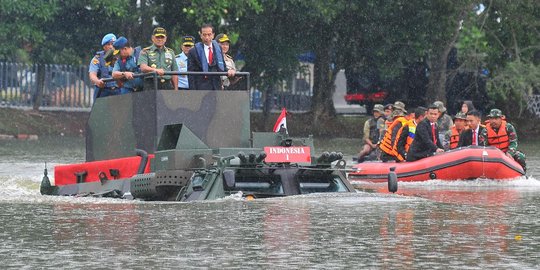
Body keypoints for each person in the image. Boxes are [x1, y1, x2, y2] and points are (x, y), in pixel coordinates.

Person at [188, 23, 231, 90]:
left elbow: (223, 67)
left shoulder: (218, 48)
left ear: (213, 35)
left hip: (216, 87)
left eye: (209, 34)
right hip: (201, 88)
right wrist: (193, 92)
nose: (207, 37)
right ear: (201, 35)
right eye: (204, 35)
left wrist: (230, 71)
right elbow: (190, 74)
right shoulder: (193, 51)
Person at [89, 33, 119, 99]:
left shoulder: (121, 56)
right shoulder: (97, 59)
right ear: (104, 47)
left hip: (118, 90)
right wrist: (97, 81)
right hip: (103, 90)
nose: (111, 47)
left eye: (113, 44)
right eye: (108, 44)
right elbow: (92, 75)